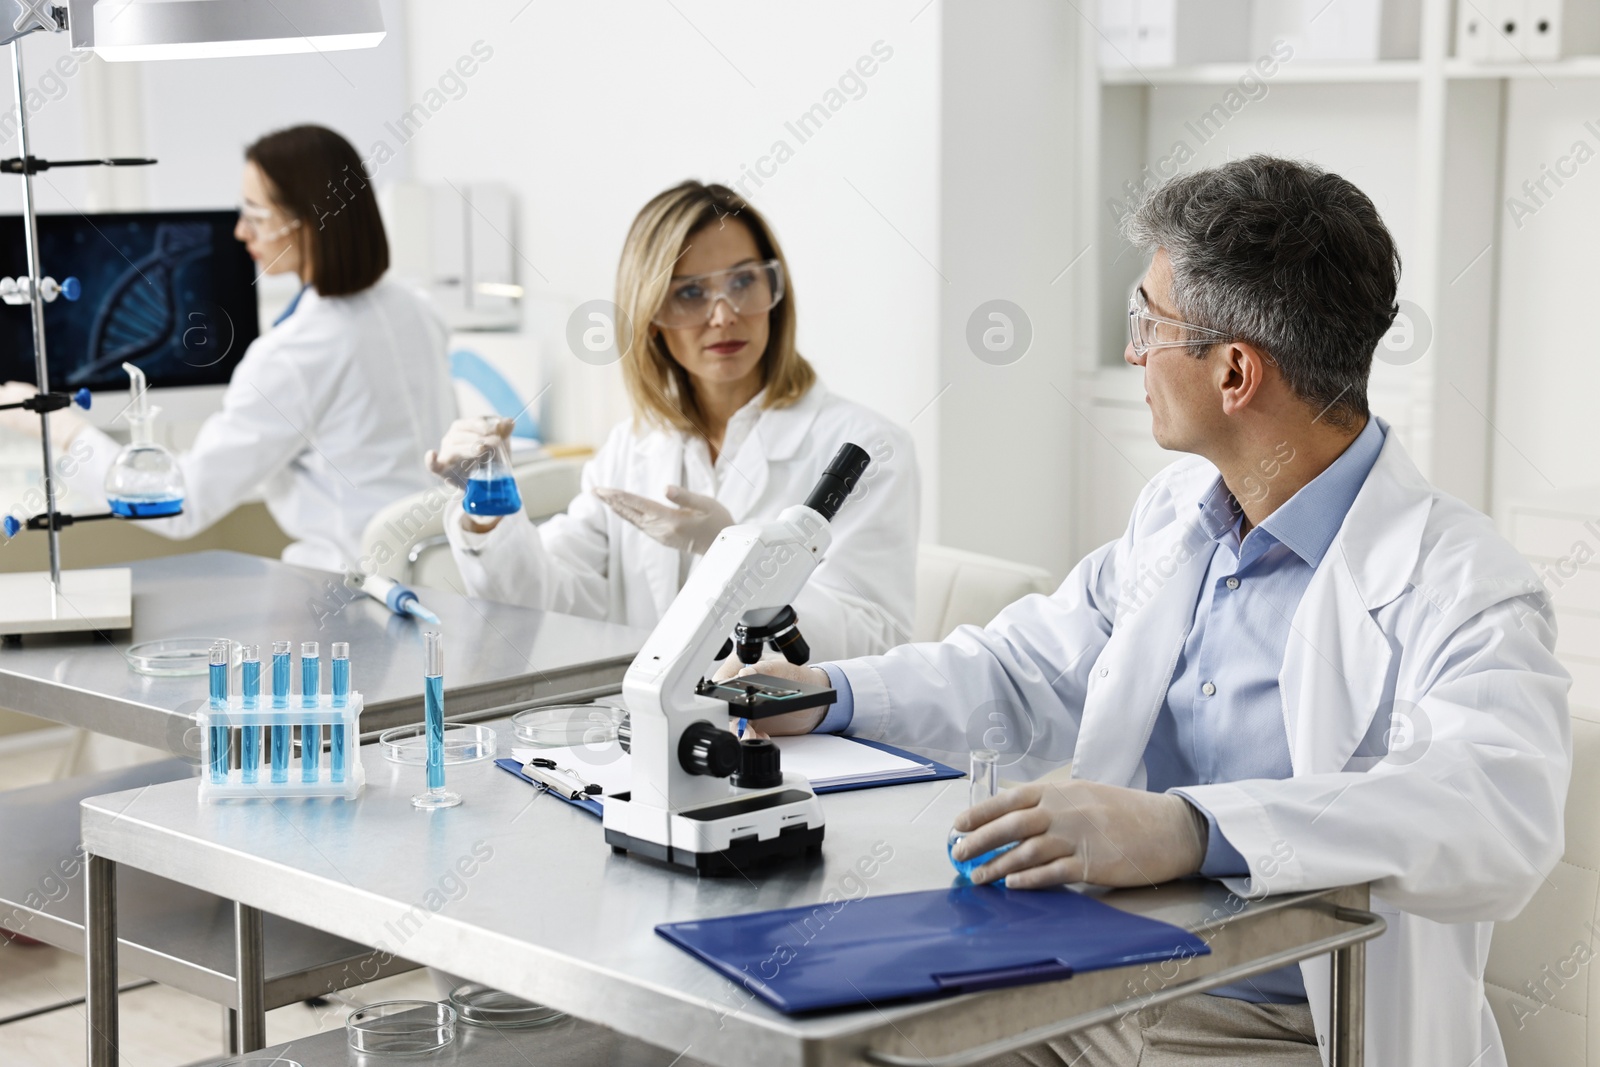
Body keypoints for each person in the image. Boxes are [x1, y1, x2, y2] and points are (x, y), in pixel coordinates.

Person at [742, 156, 1570, 1066]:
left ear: (1235, 373)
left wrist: (1188, 828)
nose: (1133, 351)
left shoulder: (1463, 580)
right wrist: (831, 692)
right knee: (823, 1044)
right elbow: (1026, 665)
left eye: (1148, 322)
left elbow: (1498, 813)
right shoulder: (1179, 514)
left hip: (1289, 1030)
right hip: (1096, 980)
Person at [426, 181, 917, 661]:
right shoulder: (632, 447)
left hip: (796, 738)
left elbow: (875, 641)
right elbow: (544, 604)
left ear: (775, 291)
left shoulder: (866, 446)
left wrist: (742, 563)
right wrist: (488, 508)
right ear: (651, 317)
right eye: (690, 293)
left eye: (744, 281)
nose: (724, 315)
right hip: (648, 727)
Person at [0, 124, 456, 572]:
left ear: (307, 225)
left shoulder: (292, 355)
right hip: (437, 571)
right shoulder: (416, 308)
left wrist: (61, 430)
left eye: (256, 216)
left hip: (355, 585)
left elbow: (181, 503)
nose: (240, 232)